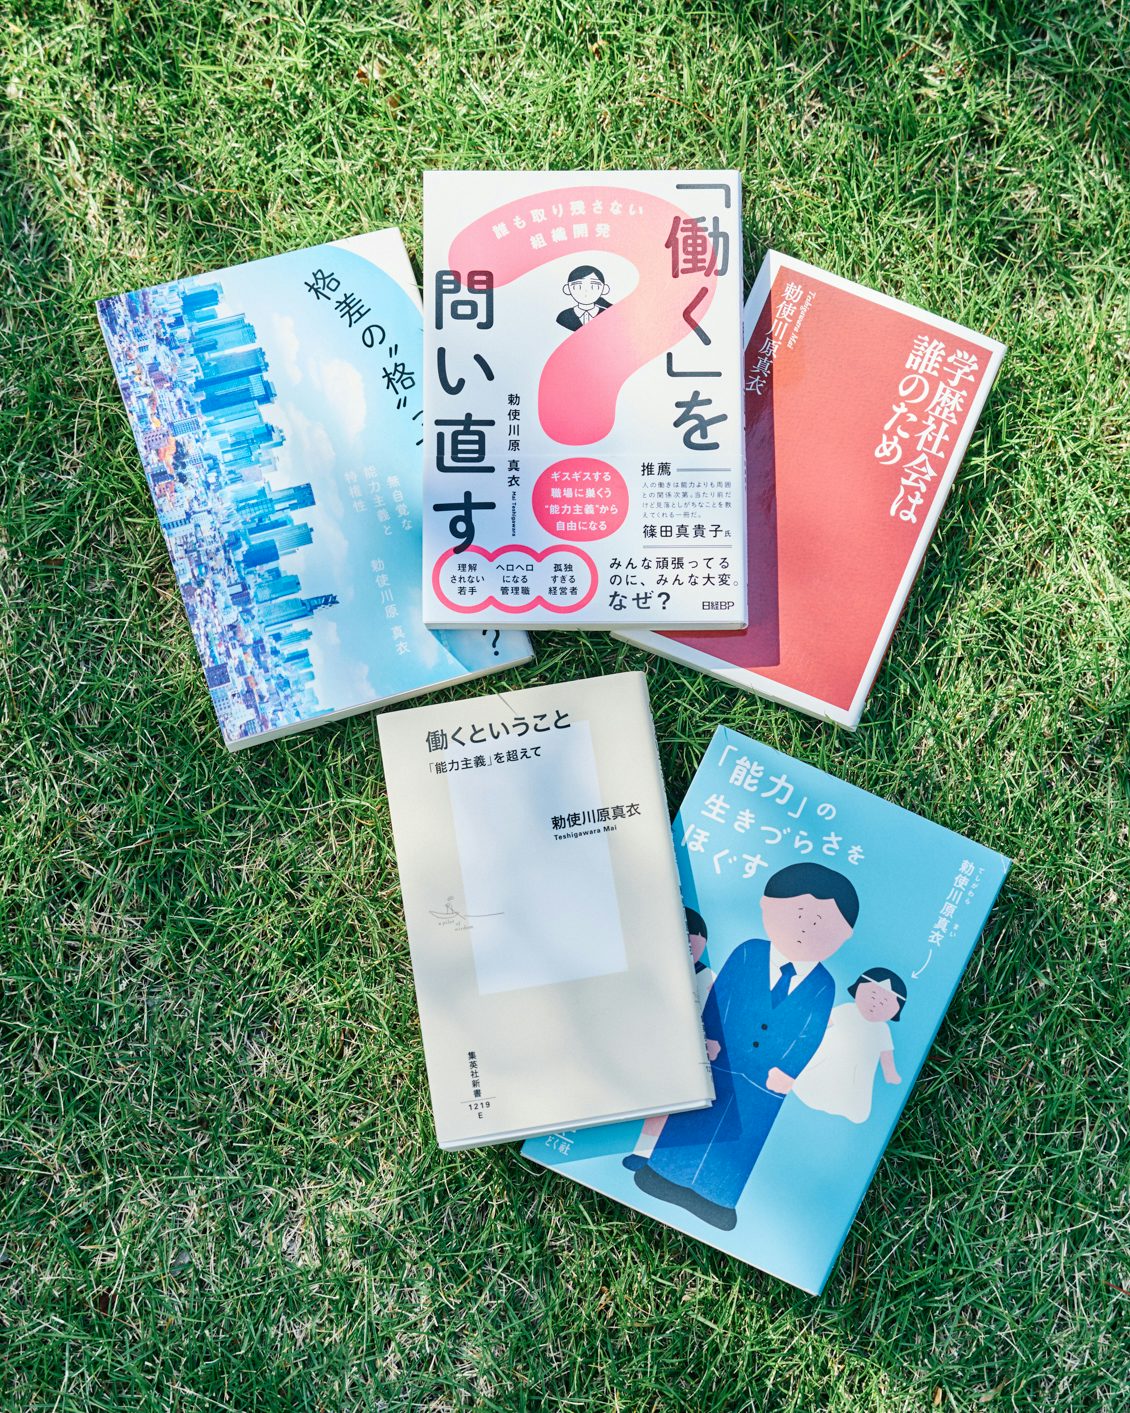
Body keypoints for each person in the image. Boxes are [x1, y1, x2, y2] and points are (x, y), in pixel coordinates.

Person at [632, 862, 859, 1231]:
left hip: (767, 1080)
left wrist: (789, 1070)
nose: (805, 927)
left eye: (820, 922)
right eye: (798, 913)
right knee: (695, 1119)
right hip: (721, 1055)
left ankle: (717, 1200)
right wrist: (706, 1036)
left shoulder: (824, 984)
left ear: (844, 935)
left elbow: (811, 1033)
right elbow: (720, 996)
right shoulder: (748, 952)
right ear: (767, 905)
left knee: (743, 1137)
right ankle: (661, 1174)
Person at [623, 908, 719, 1172]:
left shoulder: (707, 978)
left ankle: (652, 1154)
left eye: (693, 945)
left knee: (671, 1104)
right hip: (648, 1039)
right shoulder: (648, 968)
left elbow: (716, 1014)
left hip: (684, 1048)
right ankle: (638, 1148)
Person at [791, 967, 907, 1123]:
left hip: (859, 1068)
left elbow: (886, 1054)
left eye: (883, 1003)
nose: (875, 1005)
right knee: (822, 1074)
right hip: (831, 1054)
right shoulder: (846, 1010)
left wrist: (890, 1073)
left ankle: (843, 1105)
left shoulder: (882, 1030)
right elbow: (824, 1023)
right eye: (872, 996)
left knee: (852, 1089)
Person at [556, 265, 612, 330]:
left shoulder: (607, 314)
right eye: (578, 286)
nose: (586, 291)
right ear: (567, 289)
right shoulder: (563, 316)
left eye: (593, 286)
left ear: (604, 289)